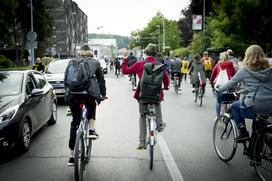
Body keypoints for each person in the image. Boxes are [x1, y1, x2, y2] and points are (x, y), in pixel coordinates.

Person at [217, 45, 272, 142]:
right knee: (261, 124)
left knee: (234, 106)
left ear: (248, 55)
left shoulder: (245, 70)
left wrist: (219, 89)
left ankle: (243, 132)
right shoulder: (269, 70)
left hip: (255, 104)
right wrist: (244, 90)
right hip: (270, 104)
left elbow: (231, 83)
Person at [121, 43, 169, 150]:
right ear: (155, 53)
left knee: (142, 116)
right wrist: (165, 87)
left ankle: (142, 142)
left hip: (143, 96)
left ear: (145, 53)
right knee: (157, 101)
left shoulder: (140, 64)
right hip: (156, 95)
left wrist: (124, 58)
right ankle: (159, 124)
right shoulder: (159, 65)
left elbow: (125, 71)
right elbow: (166, 80)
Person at [64, 47, 107, 166]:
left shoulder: (72, 62)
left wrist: (68, 95)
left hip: (73, 94)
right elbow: (101, 80)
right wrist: (103, 94)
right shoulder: (95, 62)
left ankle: (71, 157)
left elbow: (66, 79)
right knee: (91, 105)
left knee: (75, 122)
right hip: (88, 93)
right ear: (90, 55)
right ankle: (92, 130)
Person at [210, 52, 235, 117]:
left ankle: (218, 117)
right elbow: (234, 74)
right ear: (227, 57)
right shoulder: (231, 65)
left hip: (220, 85)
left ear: (221, 57)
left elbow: (213, 74)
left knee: (218, 101)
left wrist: (211, 81)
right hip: (229, 85)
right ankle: (230, 115)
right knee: (230, 101)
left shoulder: (218, 65)